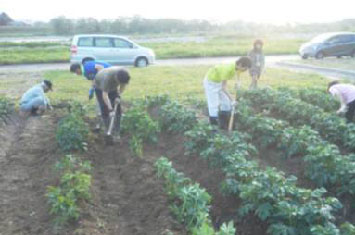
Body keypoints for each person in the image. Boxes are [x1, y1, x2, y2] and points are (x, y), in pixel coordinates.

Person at [203, 57, 252, 128]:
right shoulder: (227, 69)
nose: (245, 70)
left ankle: (224, 124)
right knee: (213, 105)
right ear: (240, 65)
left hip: (219, 81)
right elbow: (224, 88)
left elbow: (238, 74)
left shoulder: (237, 68)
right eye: (245, 68)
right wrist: (232, 100)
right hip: (211, 82)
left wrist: (238, 83)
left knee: (226, 103)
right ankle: (214, 127)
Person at [70, 60, 111, 130]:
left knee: (104, 99)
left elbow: (100, 67)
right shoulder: (86, 74)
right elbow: (93, 80)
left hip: (109, 75)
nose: (76, 74)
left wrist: (98, 79)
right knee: (100, 100)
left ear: (78, 69)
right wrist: (91, 90)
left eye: (76, 72)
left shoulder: (87, 67)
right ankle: (102, 120)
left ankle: (109, 117)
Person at [94, 66, 130, 142]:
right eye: (119, 82)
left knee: (118, 111)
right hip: (99, 88)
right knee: (104, 108)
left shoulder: (124, 75)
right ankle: (108, 130)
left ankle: (117, 132)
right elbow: (105, 96)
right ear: (116, 78)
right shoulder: (107, 78)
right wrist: (110, 109)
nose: (120, 83)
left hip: (113, 89)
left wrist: (118, 95)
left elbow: (123, 85)